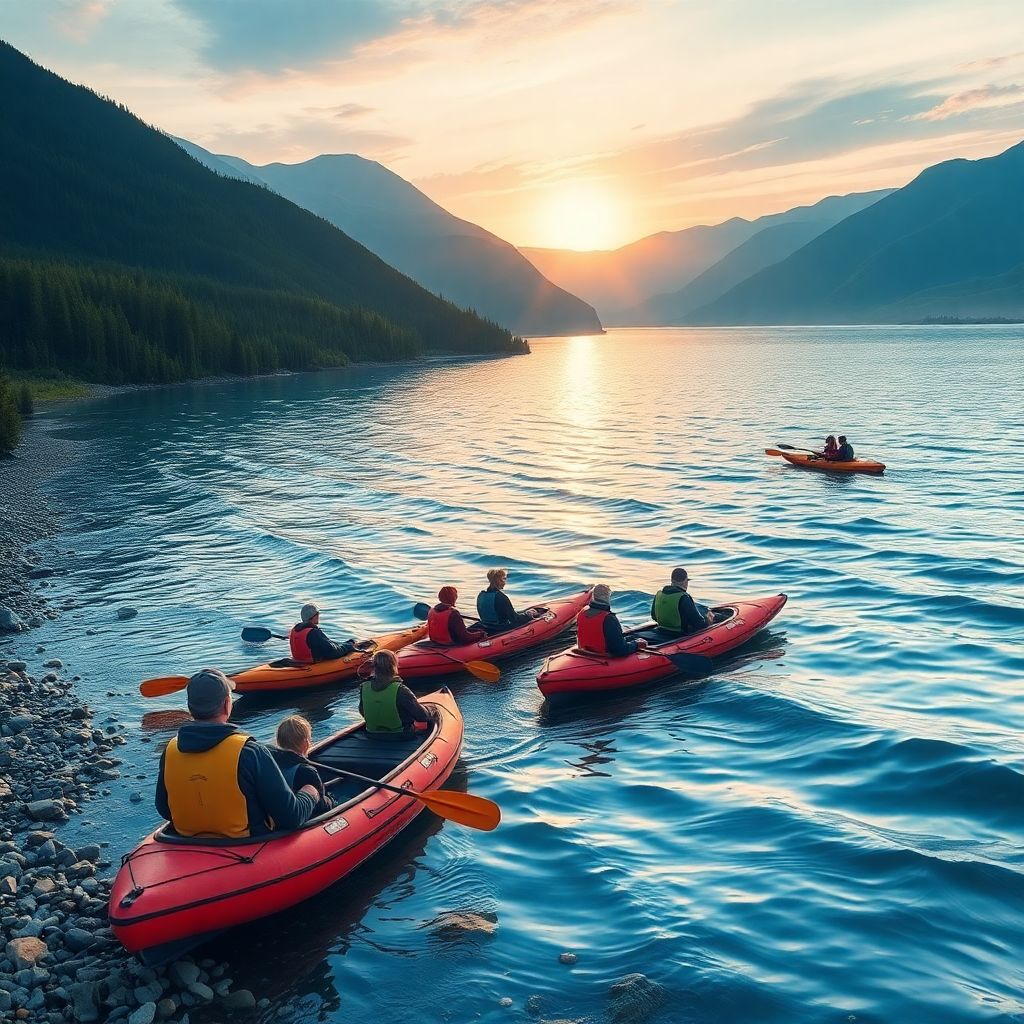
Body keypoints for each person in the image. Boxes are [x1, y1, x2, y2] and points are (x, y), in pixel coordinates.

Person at [155, 669, 318, 838]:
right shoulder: (250, 752)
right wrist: (310, 791)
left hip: (185, 845)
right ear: (227, 704)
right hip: (246, 849)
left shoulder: (170, 751)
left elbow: (165, 809)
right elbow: (291, 817)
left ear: (190, 708)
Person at [271, 715, 334, 815]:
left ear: (278, 742)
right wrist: (330, 800)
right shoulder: (307, 771)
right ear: (306, 744)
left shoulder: (270, 763)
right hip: (306, 817)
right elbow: (321, 806)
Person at [358, 650, 431, 734]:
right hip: (399, 735)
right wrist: (428, 710)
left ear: (374, 667)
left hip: (372, 734)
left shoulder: (364, 687)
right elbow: (422, 716)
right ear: (393, 665)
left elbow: (362, 711)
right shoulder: (401, 690)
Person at [575, 583, 646, 657]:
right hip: (602, 657)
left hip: (585, 652)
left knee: (631, 637)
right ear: (608, 597)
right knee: (638, 641)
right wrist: (636, 645)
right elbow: (620, 650)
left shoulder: (581, 613)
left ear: (593, 597)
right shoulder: (609, 619)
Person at [651, 567, 713, 635]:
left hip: (663, 628)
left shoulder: (659, 594)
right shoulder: (684, 598)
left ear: (672, 580)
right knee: (711, 617)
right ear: (685, 581)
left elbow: (654, 616)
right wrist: (708, 620)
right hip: (679, 634)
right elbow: (700, 625)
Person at [289, 602, 356, 664]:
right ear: (314, 616)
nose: (319, 616)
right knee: (349, 644)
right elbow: (334, 651)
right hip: (311, 664)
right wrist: (349, 646)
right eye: (318, 614)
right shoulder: (313, 633)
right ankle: (350, 643)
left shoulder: (294, 630)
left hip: (298, 661)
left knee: (341, 644)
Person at [477, 568, 539, 633]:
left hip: (486, 626)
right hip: (499, 629)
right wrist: (527, 615)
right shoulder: (501, 597)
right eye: (504, 579)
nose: (505, 582)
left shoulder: (481, 595)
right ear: (498, 580)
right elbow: (514, 619)